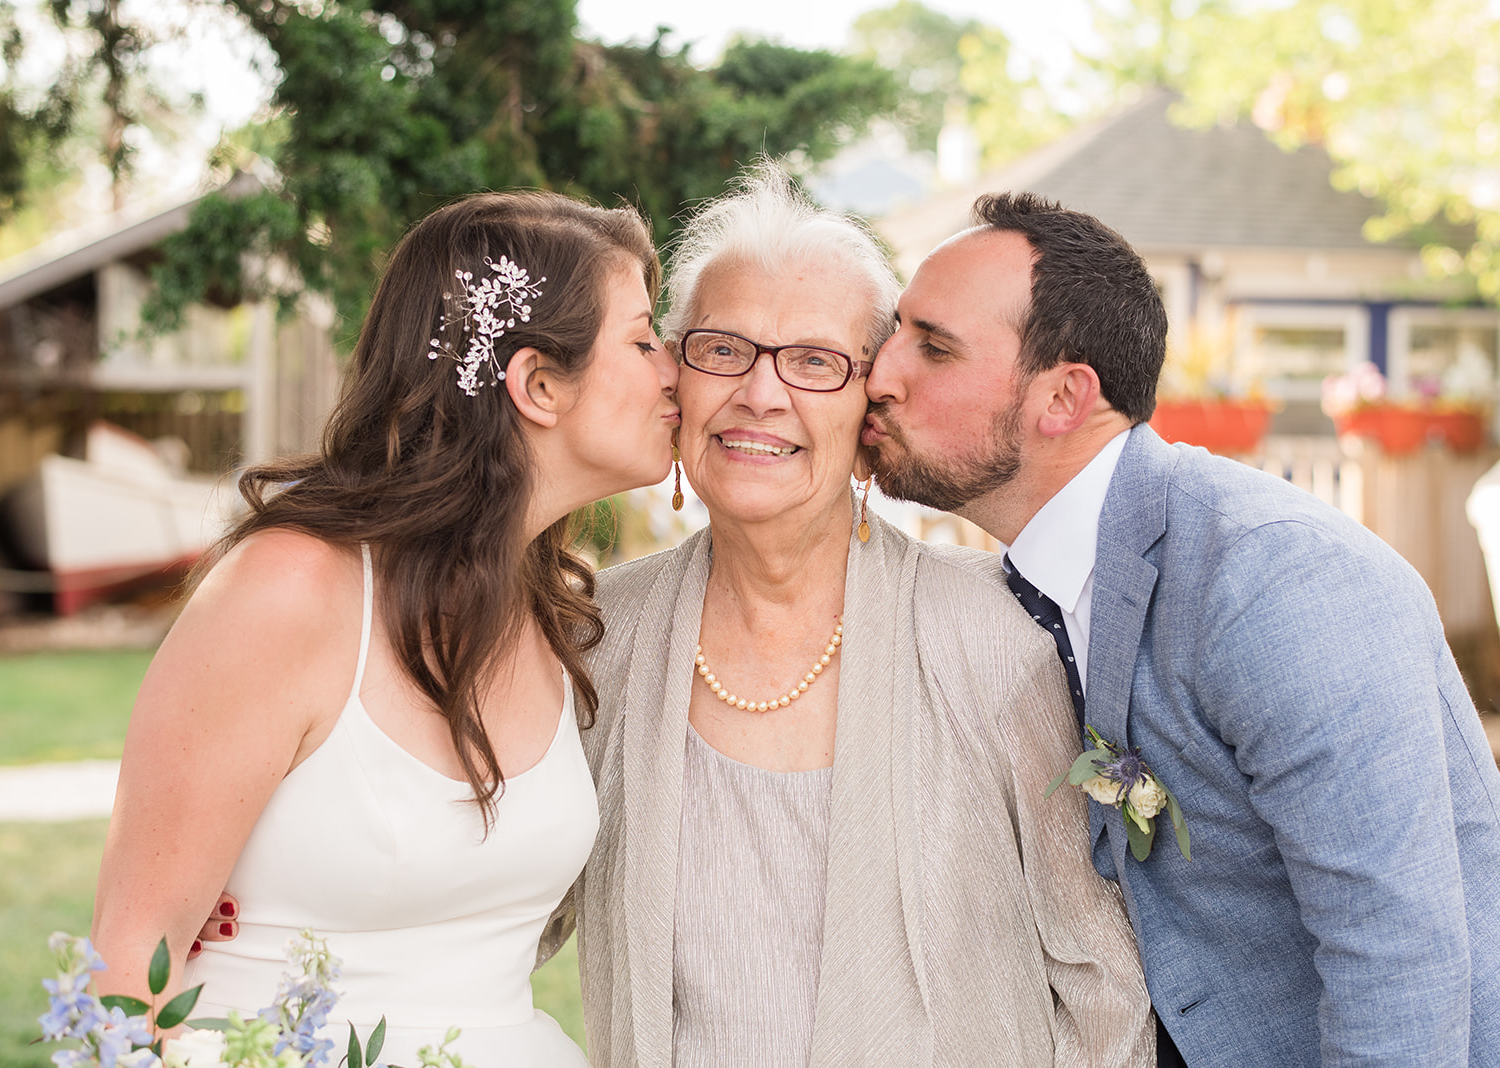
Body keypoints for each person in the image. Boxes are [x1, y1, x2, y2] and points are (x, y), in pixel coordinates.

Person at [861, 190, 1500, 1067]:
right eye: (895, 332)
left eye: (932, 347)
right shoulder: (1017, 590)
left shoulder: (1278, 582)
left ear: (1063, 397)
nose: (880, 373)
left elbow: (1397, 968)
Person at [550, 166, 1154, 1066]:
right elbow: (488, 915)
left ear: (871, 407)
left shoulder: (992, 639)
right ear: (677, 382)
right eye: (722, 349)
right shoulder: (598, 636)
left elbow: (1107, 988)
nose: (760, 393)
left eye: (814, 361)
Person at [91, 190, 681, 1066]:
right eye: (643, 340)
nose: (677, 368)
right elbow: (126, 967)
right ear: (539, 385)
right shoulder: (289, 591)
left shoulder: (556, 613)